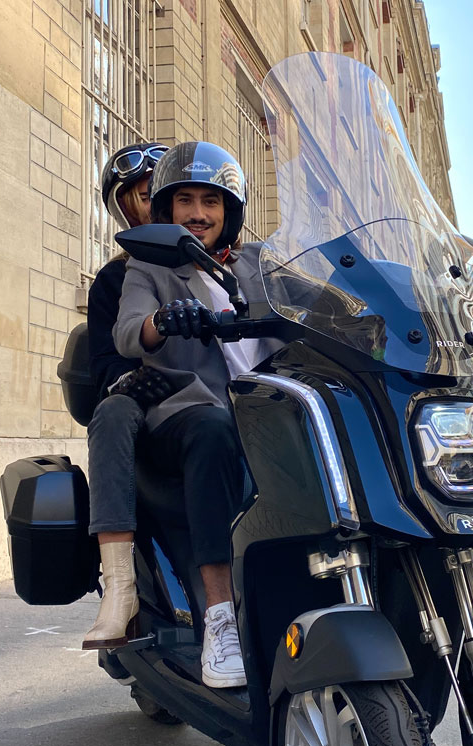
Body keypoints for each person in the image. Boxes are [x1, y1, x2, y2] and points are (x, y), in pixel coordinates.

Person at [113, 141, 276, 688]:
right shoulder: (150, 265)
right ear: (166, 210)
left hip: (267, 408)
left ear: (231, 211)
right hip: (189, 413)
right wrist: (164, 319)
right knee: (212, 428)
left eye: (211, 200)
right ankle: (220, 619)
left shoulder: (261, 265)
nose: (199, 213)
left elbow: (327, 301)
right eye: (185, 200)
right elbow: (128, 330)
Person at [82, 142, 169, 651]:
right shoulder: (115, 278)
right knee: (111, 411)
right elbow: (103, 366)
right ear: (125, 209)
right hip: (148, 406)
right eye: (141, 195)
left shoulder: (226, 264)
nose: (153, 202)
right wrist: (132, 379)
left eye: (161, 191)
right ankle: (119, 586)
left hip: (222, 398)